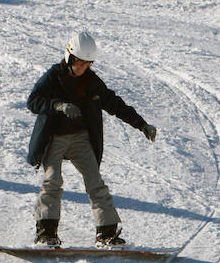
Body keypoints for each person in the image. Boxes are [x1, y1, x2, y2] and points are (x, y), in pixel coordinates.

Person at [27, 32, 157, 247]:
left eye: (86, 64)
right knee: (52, 181)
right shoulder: (53, 76)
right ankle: (46, 233)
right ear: (69, 57)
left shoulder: (91, 81)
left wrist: (142, 124)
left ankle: (106, 234)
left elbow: (115, 104)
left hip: (81, 139)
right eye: (78, 62)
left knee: (96, 183)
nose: (81, 68)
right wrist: (57, 105)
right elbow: (33, 101)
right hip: (55, 137)